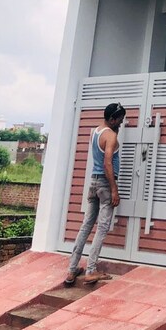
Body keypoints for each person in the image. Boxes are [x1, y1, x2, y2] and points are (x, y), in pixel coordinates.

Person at [64, 101, 126, 286]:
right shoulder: (110, 136)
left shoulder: (96, 132)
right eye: (120, 120)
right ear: (112, 119)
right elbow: (108, 163)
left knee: (86, 225)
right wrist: (114, 189)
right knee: (102, 227)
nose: (121, 123)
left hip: (93, 182)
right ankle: (91, 270)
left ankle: (72, 269)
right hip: (105, 184)